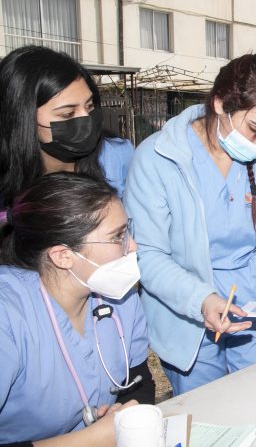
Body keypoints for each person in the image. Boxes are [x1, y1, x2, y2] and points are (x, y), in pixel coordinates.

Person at [125, 53, 256, 395]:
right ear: (220, 104)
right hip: (188, 312)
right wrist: (202, 298)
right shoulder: (157, 159)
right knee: (207, 415)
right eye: (255, 130)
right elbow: (147, 255)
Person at [0, 172, 154, 446]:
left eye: (127, 231)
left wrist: (123, 413)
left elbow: (140, 384)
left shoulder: (121, 297)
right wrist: (93, 438)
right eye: (117, 237)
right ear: (63, 256)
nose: (133, 246)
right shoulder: (9, 316)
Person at [0, 46, 134, 222]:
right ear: (22, 119)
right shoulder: (7, 178)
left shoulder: (117, 156)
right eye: (67, 114)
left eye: (90, 106)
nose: (86, 119)